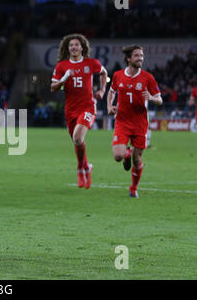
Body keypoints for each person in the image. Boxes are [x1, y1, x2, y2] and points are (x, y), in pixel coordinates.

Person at [50, 33, 108, 189]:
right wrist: (64, 79)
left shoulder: (91, 63)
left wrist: (102, 90)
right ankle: (86, 167)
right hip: (70, 110)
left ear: (82, 47)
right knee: (78, 141)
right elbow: (53, 88)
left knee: (77, 137)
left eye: (76, 44)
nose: (73, 47)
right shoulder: (62, 66)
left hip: (88, 107)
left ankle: (80, 169)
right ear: (67, 49)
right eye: (71, 45)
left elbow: (104, 73)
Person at [107, 45, 162, 198]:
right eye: (137, 55)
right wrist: (109, 106)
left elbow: (160, 99)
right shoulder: (118, 75)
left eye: (141, 55)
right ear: (128, 59)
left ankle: (133, 188)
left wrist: (151, 98)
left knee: (137, 159)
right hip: (122, 121)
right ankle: (126, 154)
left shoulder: (147, 77)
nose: (140, 58)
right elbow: (111, 92)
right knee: (118, 156)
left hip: (140, 123)